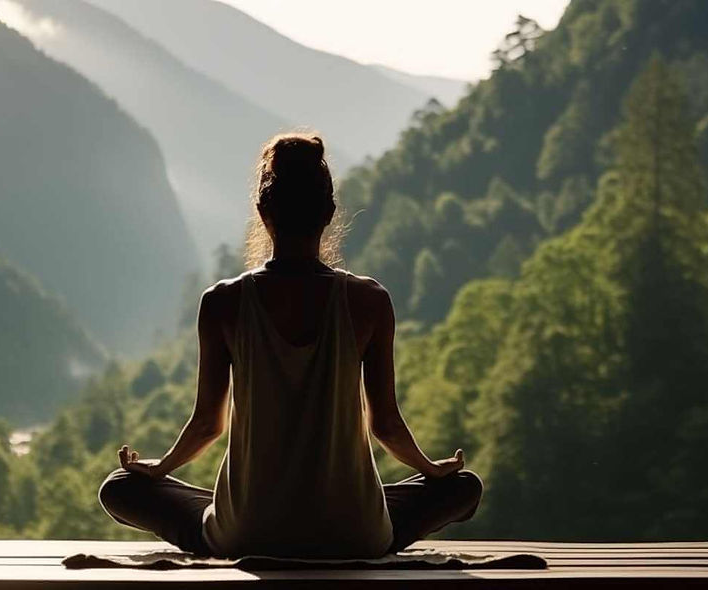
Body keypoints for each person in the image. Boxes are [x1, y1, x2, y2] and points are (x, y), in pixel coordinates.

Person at [98, 132, 483, 559]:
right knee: (463, 488)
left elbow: (209, 424)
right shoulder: (369, 301)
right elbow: (386, 426)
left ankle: (245, 513)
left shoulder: (223, 302)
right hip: (353, 536)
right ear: (329, 213)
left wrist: (160, 468)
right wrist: (431, 470)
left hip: (247, 534)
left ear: (263, 213)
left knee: (121, 488)